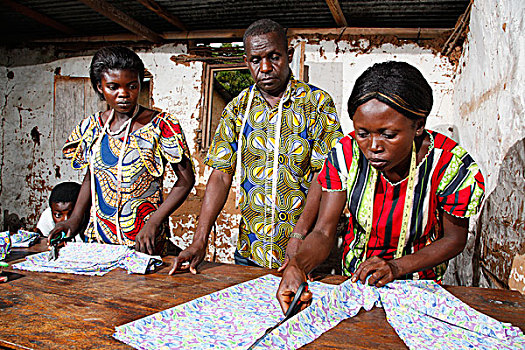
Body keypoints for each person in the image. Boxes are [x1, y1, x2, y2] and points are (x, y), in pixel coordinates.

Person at [276, 61, 485, 313]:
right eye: (363, 133)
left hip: (419, 286)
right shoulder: (346, 155)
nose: (373, 146)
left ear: (418, 126)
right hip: (356, 281)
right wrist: (296, 267)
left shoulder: (450, 166)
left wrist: (396, 267)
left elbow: (454, 239)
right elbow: (323, 231)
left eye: (388, 134)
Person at [170, 19, 343, 273]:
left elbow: (324, 174)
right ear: (246, 61)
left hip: (306, 250)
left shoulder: (316, 103)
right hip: (251, 250)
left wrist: (299, 235)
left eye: (274, 57)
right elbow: (220, 174)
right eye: (256, 60)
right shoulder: (238, 107)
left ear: (289, 55)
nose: (265, 67)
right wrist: (199, 239)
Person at [49, 46, 195, 255]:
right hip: (99, 243)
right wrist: (73, 221)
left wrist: (154, 222)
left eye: (132, 86)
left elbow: (186, 180)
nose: (123, 94)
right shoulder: (92, 128)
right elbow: (91, 178)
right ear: (100, 87)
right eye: (113, 87)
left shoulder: (161, 126)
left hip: (145, 242)